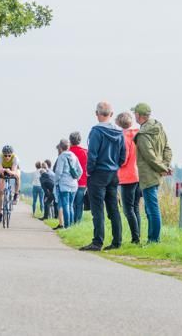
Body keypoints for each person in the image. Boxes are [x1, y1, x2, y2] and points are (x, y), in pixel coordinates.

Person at [81, 101, 127, 252]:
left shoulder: (96, 131)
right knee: (113, 208)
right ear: (111, 114)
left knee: (98, 209)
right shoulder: (120, 133)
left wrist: (89, 171)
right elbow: (123, 156)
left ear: (97, 114)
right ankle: (117, 241)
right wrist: (115, 166)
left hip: (98, 173)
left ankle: (97, 241)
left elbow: (92, 155)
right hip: (113, 174)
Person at [132, 102, 173, 244]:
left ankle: (154, 240)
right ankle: (152, 239)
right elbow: (167, 148)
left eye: (135, 114)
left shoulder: (142, 135)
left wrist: (163, 168)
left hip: (149, 175)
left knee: (152, 209)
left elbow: (149, 157)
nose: (134, 116)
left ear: (139, 115)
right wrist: (165, 166)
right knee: (150, 208)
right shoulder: (158, 127)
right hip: (157, 174)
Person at [116, 112, 142, 244]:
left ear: (119, 123)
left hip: (127, 176)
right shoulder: (138, 133)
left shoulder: (124, 137)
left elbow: (124, 159)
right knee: (136, 207)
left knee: (127, 209)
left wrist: (116, 163)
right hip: (139, 174)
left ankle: (135, 238)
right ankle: (138, 236)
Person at [52, 139, 81, 229]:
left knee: (66, 205)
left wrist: (56, 182)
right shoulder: (74, 156)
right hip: (74, 185)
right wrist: (76, 179)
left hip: (64, 184)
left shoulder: (61, 156)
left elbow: (58, 172)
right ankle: (71, 226)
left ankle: (67, 226)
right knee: (71, 205)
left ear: (60, 147)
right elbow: (80, 170)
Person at [0, 144, 20, 223]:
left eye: (9, 155)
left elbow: (13, 171)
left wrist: (9, 171)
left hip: (13, 169)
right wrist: (2, 171)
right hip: (3, 168)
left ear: (12, 154)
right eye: (5, 155)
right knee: (0, 191)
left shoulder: (15, 158)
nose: (7, 157)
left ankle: (16, 194)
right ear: (3, 154)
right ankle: (0, 213)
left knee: (17, 176)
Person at [69, 132, 88, 224]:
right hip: (83, 182)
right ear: (80, 140)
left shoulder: (67, 153)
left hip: (70, 182)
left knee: (71, 204)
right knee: (79, 204)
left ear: (70, 141)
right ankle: (77, 222)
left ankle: (71, 221)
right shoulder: (85, 152)